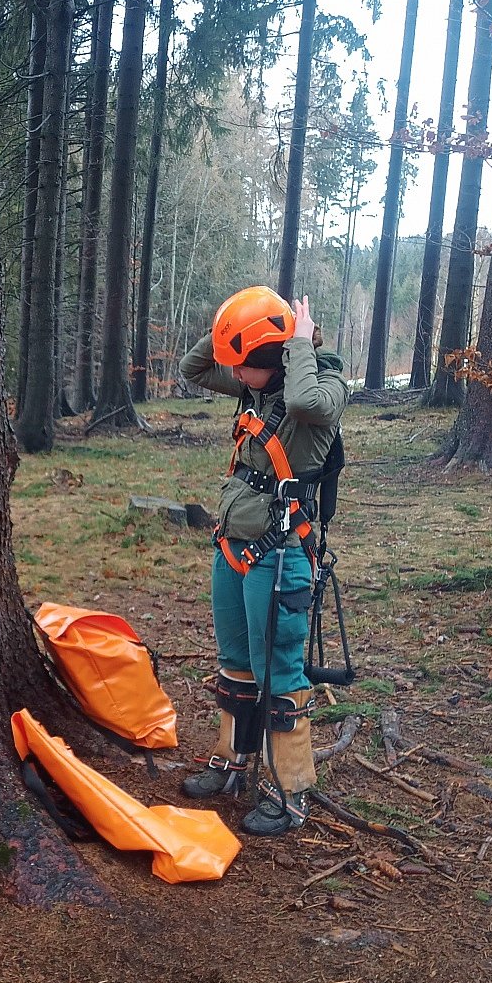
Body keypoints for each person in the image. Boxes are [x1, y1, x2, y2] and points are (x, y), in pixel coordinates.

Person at [177, 287, 347, 836]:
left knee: (278, 670)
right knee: (235, 662)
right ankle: (232, 761)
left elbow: (304, 404)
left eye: (244, 363)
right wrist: (237, 325)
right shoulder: (257, 382)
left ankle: (290, 791)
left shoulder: (322, 387)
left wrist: (296, 340)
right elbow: (193, 368)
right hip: (233, 546)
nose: (235, 374)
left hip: (281, 552)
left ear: (275, 357)